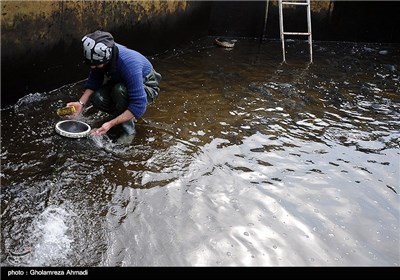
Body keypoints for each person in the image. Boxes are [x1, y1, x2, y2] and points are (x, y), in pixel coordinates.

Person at [67, 30, 162, 137]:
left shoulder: (129, 65)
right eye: (90, 64)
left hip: (147, 83)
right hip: (121, 80)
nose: (93, 67)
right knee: (97, 97)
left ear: (107, 59)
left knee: (119, 90)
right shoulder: (100, 51)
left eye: (97, 65)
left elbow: (139, 105)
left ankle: (128, 132)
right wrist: (81, 103)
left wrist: (111, 124)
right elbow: (94, 79)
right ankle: (121, 114)